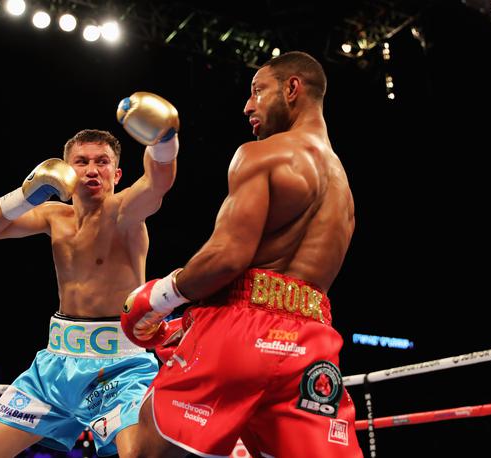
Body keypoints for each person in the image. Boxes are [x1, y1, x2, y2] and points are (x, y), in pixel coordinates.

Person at [122, 52, 364, 458]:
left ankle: (106, 409)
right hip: (312, 344)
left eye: (257, 91)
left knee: (141, 448)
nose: (247, 105)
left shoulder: (261, 154)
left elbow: (227, 258)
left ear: (292, 89)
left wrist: (161, 296)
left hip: (241, 334)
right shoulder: (343, 188)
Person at [0, 92, 181, 458]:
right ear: (65, 169)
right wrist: (27, 194)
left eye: (102, 162)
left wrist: (164, 140)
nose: (92, 169)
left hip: (121, 366)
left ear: (117, 172)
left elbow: (158, 184)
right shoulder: (52, 215)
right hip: (55, 363)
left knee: (139, 456)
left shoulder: (124, 212)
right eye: (81, 162)